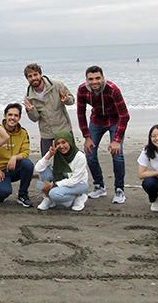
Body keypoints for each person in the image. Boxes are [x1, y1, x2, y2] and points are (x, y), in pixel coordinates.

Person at [76, 65, 130, 204]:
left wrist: (117, 140)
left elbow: (124, 115)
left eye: (98, 78)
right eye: (91, 79)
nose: (95, 82)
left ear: (103, 78)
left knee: (117, 154)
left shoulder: (112, 90)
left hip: (114, 120)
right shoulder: (82, 90)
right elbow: (80, 114)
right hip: (97, 120)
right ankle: (99, 186)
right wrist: (86, 137)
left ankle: (119, 189)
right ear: (87, 80)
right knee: (89, 152)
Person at [0, 103, 35, 207]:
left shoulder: (23, 132)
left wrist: (15, 157)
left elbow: (26, 152)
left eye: (16, 115)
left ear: (19, 117)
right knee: (4, 192)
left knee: (28, 164)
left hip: (13, 167)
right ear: (5, 116)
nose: (12, 118)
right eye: (10, 115)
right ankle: (1, 194)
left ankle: (23, 195)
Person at [22, 63, 75, 155]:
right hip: (47, 134)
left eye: (35, 74)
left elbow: (72, 101)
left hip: (64, 130)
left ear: (40, 75)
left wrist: (66, 99)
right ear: (27, 79)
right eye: (30, 76)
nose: (33, 78)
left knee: (71, 160)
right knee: (46, 163)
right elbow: (35, 119)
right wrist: (31, 111)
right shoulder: (28, 97)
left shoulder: (57, 85)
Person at [35, 131, 90, 211]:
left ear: (70, 142)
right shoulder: (55, 153)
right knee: (40, 183)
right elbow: (38, 168)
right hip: (60, 182)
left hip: (78, 184)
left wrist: (52, 185)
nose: (61, 146)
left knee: (54, 193)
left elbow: (74, 181)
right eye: (58, 143)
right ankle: (48, 198)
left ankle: (78, 197)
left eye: (64, 142)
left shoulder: (79, 157)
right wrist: (50, 155)